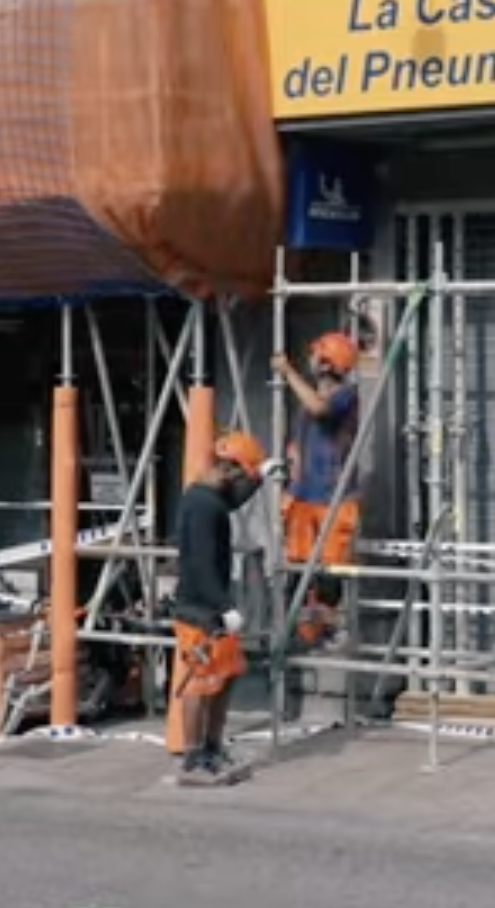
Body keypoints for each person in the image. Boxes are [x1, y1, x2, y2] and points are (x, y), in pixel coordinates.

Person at [173, 429, 279, 787]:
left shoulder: (209, 496)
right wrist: (223, 606)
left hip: (213, 607)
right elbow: (201, 563)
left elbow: (232, 500)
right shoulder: (202, 507)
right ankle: (192, 757)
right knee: (200, 684)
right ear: (230, 469)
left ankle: (212, 747)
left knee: (227, 675)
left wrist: (262, 476)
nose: (242, 481)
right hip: (199, 609)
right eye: (243, 473)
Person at [274, 331, 361, 648]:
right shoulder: (312, 398)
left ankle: (329, 630)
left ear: (326, 363)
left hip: (333, 498)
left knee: (329, 573)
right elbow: (299, 443)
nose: (309, 359)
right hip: (304, 496)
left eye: (315, 354)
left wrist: (287, 373)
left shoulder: (346, 395)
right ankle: (300, 633)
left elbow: (319, 409)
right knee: (298, 569)